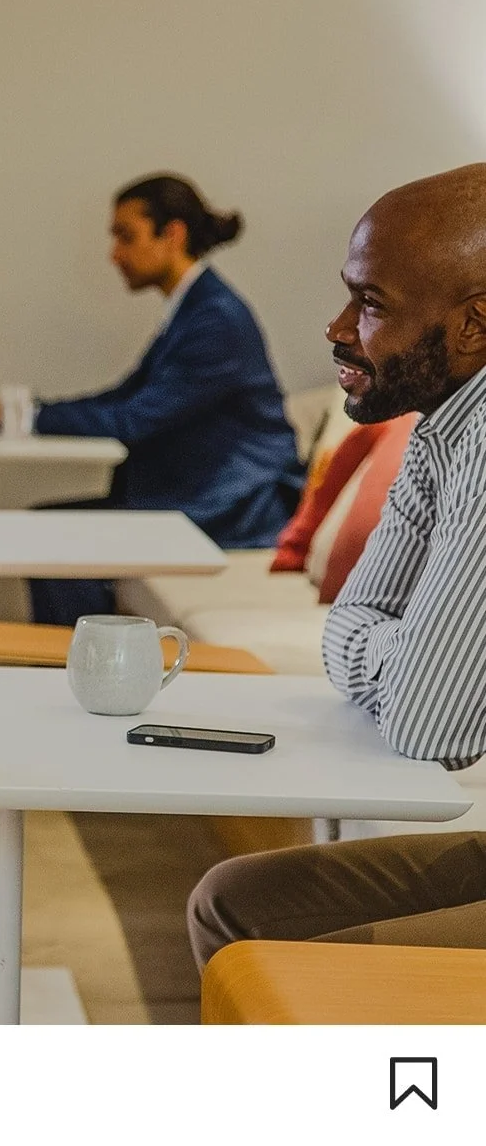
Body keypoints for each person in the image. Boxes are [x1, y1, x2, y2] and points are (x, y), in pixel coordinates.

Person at [188, 162, 486, 969]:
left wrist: (407, 653)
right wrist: (405, 649)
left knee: (295, 963)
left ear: (472, 325)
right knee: (232, 901)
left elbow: (430, 726)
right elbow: (350, 619)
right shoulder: (441, 429)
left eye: (371, 304)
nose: (336, 326)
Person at [0, 174, 303, 626]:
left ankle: (75, 676)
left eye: (126, 237)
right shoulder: (196, 307)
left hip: (232, 506)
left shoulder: (215, 319)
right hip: (198, 492)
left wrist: (17, 414)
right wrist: (17, 412)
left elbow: (132, 419)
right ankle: (72, 673)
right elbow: (127, 398)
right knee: (44, 530)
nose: (114, 255)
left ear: (173, 235)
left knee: (51, 538)